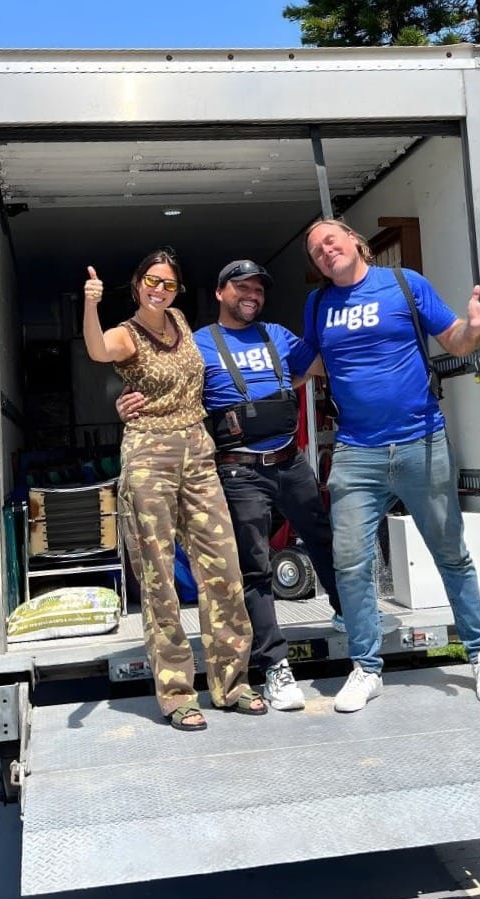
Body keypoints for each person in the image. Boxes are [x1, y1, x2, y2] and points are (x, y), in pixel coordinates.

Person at [302, 218, 480, 712]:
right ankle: (366, 668)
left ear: (355, 242)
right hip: (356, 452)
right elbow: (307, 364)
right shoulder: (317, 305)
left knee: (451, 555)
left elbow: (455, 341)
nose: (325, 252)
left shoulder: (404, 283)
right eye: (315, 251)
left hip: (422, 443)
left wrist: (474, 328)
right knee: (350, 564)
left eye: (330, 241)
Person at [117, 259, 343, 712]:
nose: (251, 295)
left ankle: (349, 615)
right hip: (238, 470)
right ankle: (274, 666)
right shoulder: (197, 343)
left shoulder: (276, 334)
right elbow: (168, 386)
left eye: (258, 289)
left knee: (324, 539)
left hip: (290, 460)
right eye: (242, 287)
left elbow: (315, 366)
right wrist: (126, 404)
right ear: (220, 292)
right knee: (252, 567)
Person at [83, 249, 267, 730]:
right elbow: (97, 350)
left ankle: (232, 683)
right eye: (152, 281)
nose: (159, 290)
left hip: (198, 453)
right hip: (150, 457)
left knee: (223, 568)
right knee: (159, 577)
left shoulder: (181, 321)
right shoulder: (126, 333)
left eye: (168, 283)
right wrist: (90, 304)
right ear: (137, 283)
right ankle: (177, 693)